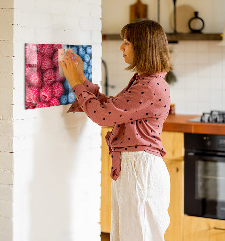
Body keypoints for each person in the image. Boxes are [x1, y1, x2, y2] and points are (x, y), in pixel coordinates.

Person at [60, 19, 172, 241]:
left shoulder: (149, 86)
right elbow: (111, 108)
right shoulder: (145, 81)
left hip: (140, 170)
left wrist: (75, 82)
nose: (121, 47)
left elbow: (103, 116)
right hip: (135, 168)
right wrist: (81, 79)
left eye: (127, 42)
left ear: (143, 47)